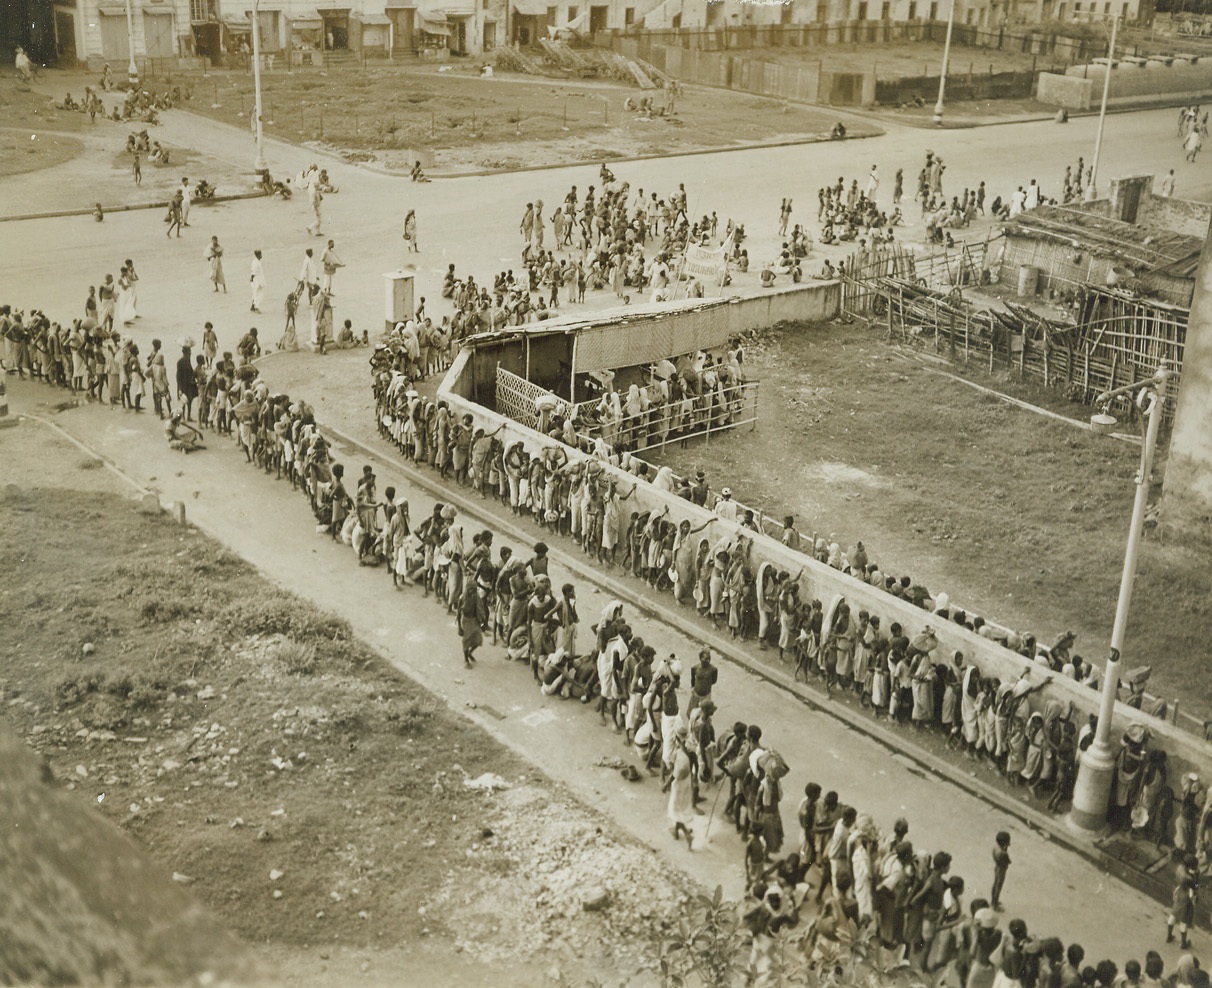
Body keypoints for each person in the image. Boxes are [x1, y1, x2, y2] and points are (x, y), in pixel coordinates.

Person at [1166, 855, 1199, 949]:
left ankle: (1169, 936)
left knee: (1173, 914)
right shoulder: (1190, 878)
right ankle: (1183, 943)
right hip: (1186, 898)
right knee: (1184, 920)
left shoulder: (1180, 869)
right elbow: (1195, 886)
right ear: (1190, 867)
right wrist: (1195, 876)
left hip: (1179, 893)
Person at [991, 830, 1011, 910]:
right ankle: (995, 905)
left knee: (995, 884)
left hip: (997, 867)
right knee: (998, 886)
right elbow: (1007, 861)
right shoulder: (1003, 853)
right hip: (1001, 870)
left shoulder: (996, 847)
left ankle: (993, 901)